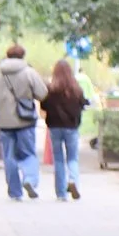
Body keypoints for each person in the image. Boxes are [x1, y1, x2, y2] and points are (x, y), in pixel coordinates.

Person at [0, 45, 46, 198]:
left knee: (9, 157)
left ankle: (15, 192)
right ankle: (29, 179)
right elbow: (42, 93)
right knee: (28, 153)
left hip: (5, 122)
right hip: (25, 120)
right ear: (22, 56)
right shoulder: (29, 72)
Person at [41, 58, 88, 199]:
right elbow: (82, 104)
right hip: (71, 127)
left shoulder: (50, 89)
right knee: (72, 157)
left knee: (58, 159)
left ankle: (61, 193)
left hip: (54, 126)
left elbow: (44, 106)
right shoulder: (76, 89)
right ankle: (73, 180)